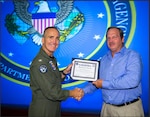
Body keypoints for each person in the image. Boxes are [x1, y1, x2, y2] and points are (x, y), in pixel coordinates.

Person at [83, 26, 144, 117]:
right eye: (108, 38)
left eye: (114, 37)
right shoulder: (103, 60)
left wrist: (104, 84)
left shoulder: (133, 56)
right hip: (107, 109)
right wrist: (82, 91)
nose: (111, 41)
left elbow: (132, 81)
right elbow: (96, 82)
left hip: (128, 109)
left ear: (122, 39)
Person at [28, 26, 83, 117]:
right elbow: (51, 92)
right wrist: (72, 93)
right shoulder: (40, 63)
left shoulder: (50, 59)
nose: (54, 41)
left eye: (57, 38)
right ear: (43, 40)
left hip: (53, 108)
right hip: (43, 111)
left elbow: (52, 79)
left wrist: (64, 72)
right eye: (50, 37)